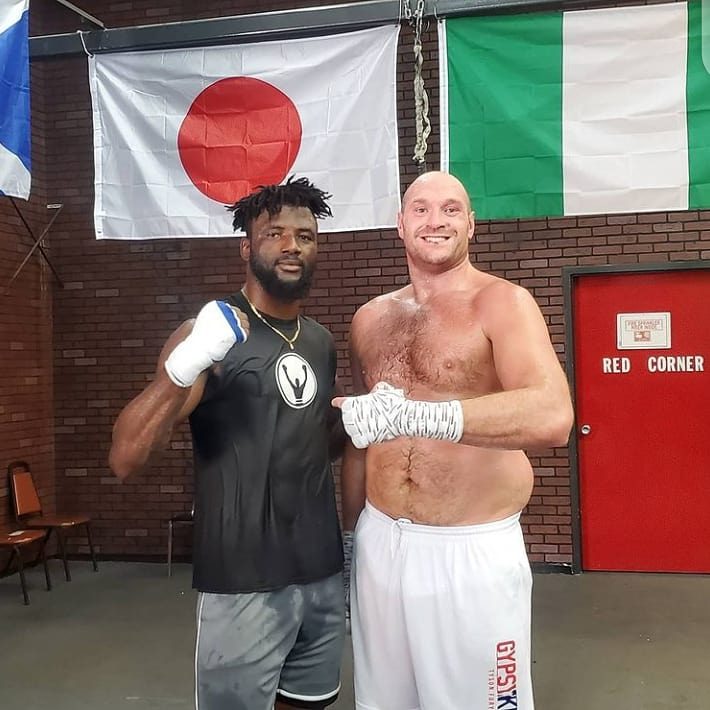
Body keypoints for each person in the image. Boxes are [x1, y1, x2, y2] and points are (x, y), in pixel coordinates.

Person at [333, 171, 574, 710]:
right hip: (380, 542)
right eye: (420, 209)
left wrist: (424, 417)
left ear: (471, 224)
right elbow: (361, 437)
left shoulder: (503, 303)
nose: (435, 221)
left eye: (450, 209)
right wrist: (350, 545)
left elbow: (552, 415)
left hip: (469, 550)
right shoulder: (370, 318)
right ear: (400, 224)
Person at [109, 177, 347, 710]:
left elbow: (311, 445)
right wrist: (183, 368)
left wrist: (353, 423)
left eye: (305, 236)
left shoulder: (320, 341)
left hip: (321, 572)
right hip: (243, 580)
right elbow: (125, 457)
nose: (292, 246)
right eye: (275, 234)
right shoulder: (210, 333)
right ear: (246, 247)